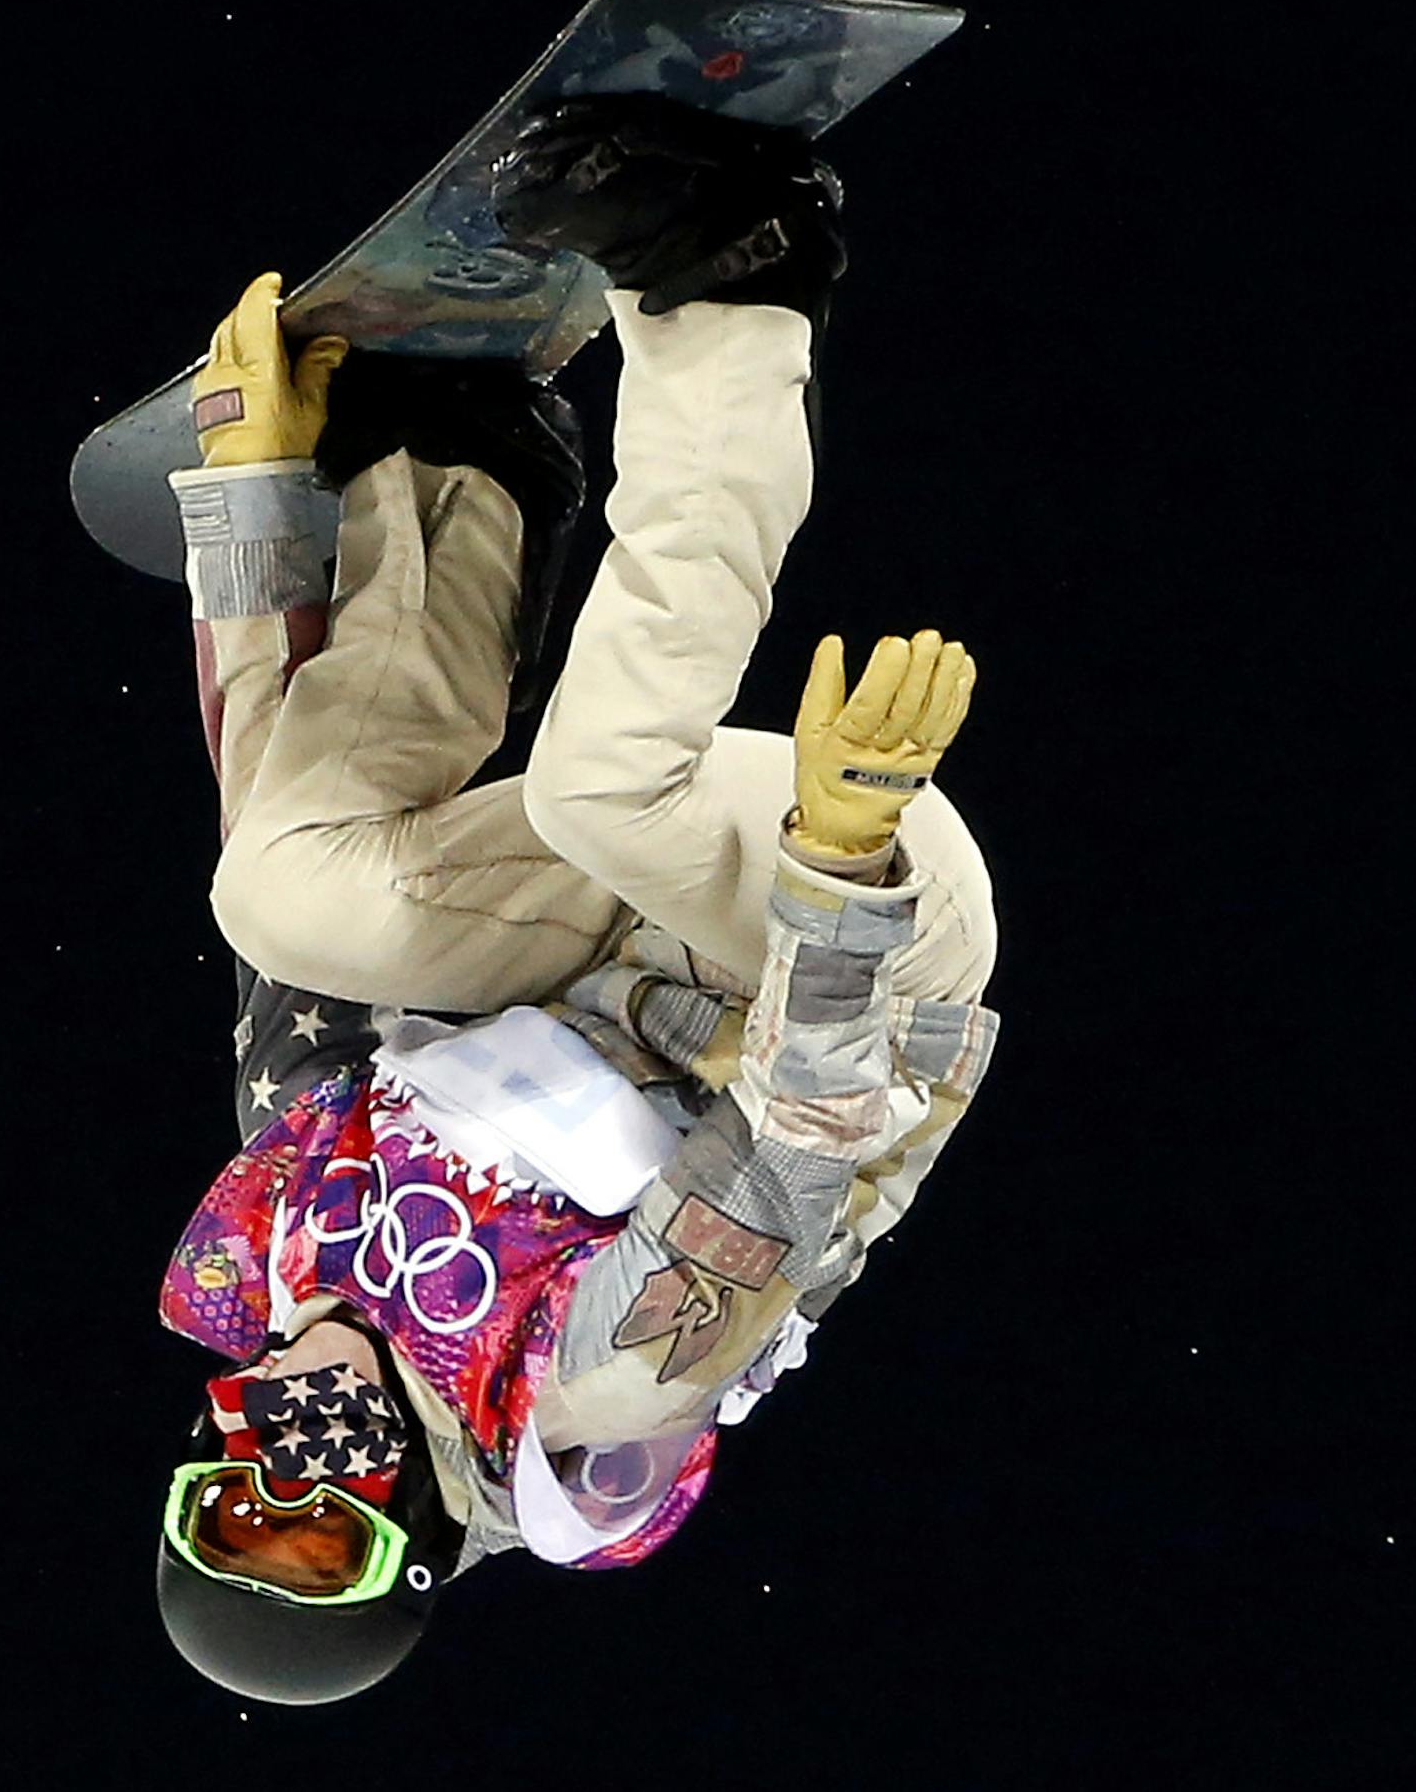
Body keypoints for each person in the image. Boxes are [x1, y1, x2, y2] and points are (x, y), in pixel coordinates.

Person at [152, 98, 1002, 1705]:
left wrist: (263, 508)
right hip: (833, 956)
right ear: (405, 1540)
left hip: (592, 942)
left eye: (234, 1512)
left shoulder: (287, 1248)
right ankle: (734, 278)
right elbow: (802, 1142)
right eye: (323, 1542)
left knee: (278, 895)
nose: (293, 1481)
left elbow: (278, 851)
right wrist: (837, 869)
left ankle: (452, 476)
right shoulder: (585, 1421)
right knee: (599, 786)